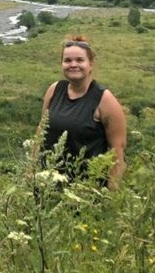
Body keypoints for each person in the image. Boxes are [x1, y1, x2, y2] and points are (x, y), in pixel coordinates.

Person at [37, 36, 126, 188]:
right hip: (47, 184)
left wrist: (112, 193)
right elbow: (41, 130)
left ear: (90, 64)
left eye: (79, 60)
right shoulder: (54, 90)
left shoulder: (104, 100)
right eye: (68, 60)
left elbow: (117, 149)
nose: (73, 65)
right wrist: (31, 169)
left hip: (85, 189)